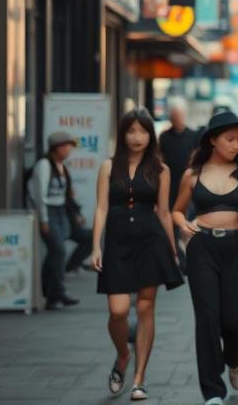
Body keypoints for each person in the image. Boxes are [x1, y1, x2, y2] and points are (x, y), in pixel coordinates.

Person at [173, 111, 238, 405]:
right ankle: (213, 391)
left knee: (237, 320)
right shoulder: (193, 174)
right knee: (207, 319)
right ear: (213, 139)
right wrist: (181, 223)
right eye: (230, 138)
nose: (236, 144)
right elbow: (176, 209)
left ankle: (235, 357)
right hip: (203, 248)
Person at [91, 107, 183, 401]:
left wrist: (173, 250)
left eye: (142, 131)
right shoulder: (108, 166)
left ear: (150, 135)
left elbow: (165, 213)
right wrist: (96, 245)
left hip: (150, 242)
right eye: (130, 131)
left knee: (145, 308)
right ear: (122, 134)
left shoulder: (161, 170)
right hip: (117, 242)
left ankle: (139, 379)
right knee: (117, 311)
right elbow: (102, 207)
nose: (137, 137)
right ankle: (122, 356)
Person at [28, 130, 82, 309]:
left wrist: (74, 213)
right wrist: (43, 219)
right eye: (66, 146)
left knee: (55, 252)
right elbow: (40, 195)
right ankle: (56, 294)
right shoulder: (44, 165)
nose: (69, 150)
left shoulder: (62, 166)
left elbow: (67, 194)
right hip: (49, 211)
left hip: (60, 211)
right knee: (58, 250)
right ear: (56, 147)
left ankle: (48, 290)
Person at [160, 97, 198, 211]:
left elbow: (196, 156)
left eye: (179, 115)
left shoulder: (193, 135)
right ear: (170, 117)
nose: (177, 118)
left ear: (184, 115)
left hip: (187, 177)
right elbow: (160, 157)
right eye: (174, 116)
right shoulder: (164, 137)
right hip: (169, 179)